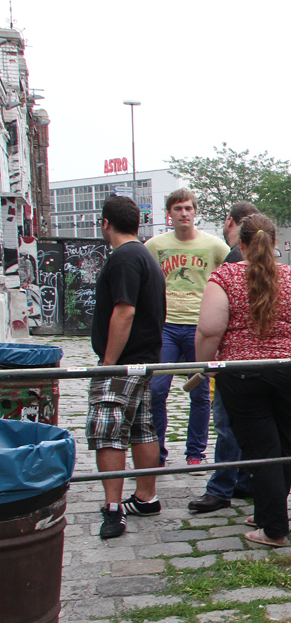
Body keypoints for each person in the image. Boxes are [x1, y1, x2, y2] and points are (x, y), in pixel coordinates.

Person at [195, 215, 291, 546]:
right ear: (275, 242)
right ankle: (269, 511)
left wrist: (203, 364)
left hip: (241, 374)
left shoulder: (224, 277)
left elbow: (210, 328)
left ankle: (274, 528)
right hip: (289, 370)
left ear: (241, 244)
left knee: (261, 447)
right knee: (280, 442)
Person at [90, 195, 166, 539]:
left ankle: (112, 507)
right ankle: (146, 497)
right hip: (145, 357)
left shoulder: (123, 258)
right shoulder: (145, 256)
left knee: (108, 428)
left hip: (123, 361)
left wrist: (108, 363)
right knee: (141, 428)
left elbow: (125, 310)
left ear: (105, 223)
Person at [145, 188, 229, 467]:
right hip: (167, 325)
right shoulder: (155, 246)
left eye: (188, 208)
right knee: (157, 389)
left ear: (195, 212)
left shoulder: (213, 246)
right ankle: (156, 451)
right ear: (169, 213)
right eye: (178, 208)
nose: (184, 213)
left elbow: (232, 272)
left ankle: (195, 452)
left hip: (199, 325)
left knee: (200, 391)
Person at [188, 200, 257, 513]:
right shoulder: (276, 270)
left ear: (232, 223)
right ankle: (244, 480)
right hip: (260, 359)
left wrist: (205, 363)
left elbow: (210, 328)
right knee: (247, 425)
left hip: (233, 357)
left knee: (227, 425)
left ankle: (222, 487)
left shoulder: (231, 265)